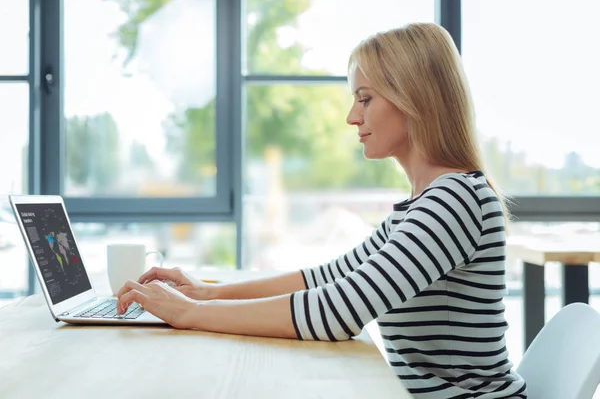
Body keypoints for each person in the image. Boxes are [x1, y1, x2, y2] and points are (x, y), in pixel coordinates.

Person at [116, 22, 527, 398]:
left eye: (365, 99)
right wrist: (207, 292)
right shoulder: (422, 206)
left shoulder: (455, 200)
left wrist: (192, 312)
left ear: (413, 99)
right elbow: (328, 277)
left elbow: (337, 311)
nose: (352, 117)